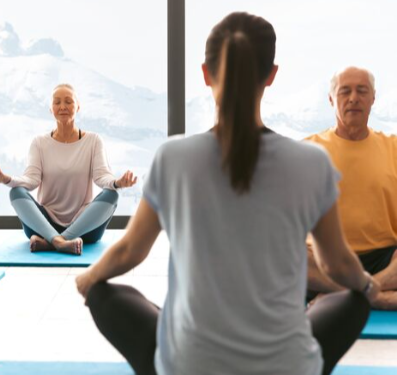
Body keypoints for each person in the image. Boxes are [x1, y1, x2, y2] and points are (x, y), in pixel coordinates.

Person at [76, 12, 378, 375]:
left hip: (188, 367)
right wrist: (368, 286)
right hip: (288, 368)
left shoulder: (173, 157)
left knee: (104, 294)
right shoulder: (311, 162)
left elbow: (130, 251)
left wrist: (88, 279)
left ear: (205, 73)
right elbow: (337, 265)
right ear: (271, 75)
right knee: (356, 299)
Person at [0, 84, 137, 255]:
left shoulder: (93, 141)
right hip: (44, 225)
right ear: (51, 109)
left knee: (112, 194)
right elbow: (31, 180)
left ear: (78, 106)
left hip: (83, 227)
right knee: (15, 192)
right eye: (57, 102)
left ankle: (51, 243)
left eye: (68, 101)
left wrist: (118, 183)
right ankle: (61, 242)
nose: (63, 107)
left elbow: (102, 176)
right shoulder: (39, 143)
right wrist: (7, 179)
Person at [305, 67, 397, 310]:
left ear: (373, 98)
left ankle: (352, 295)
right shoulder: (307, 152)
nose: (354, 98)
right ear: (331, 99)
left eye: (362, 91)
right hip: (324, 262)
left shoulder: (394, 148)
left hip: (385, 261)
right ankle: (377, 297)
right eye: (345, 91)